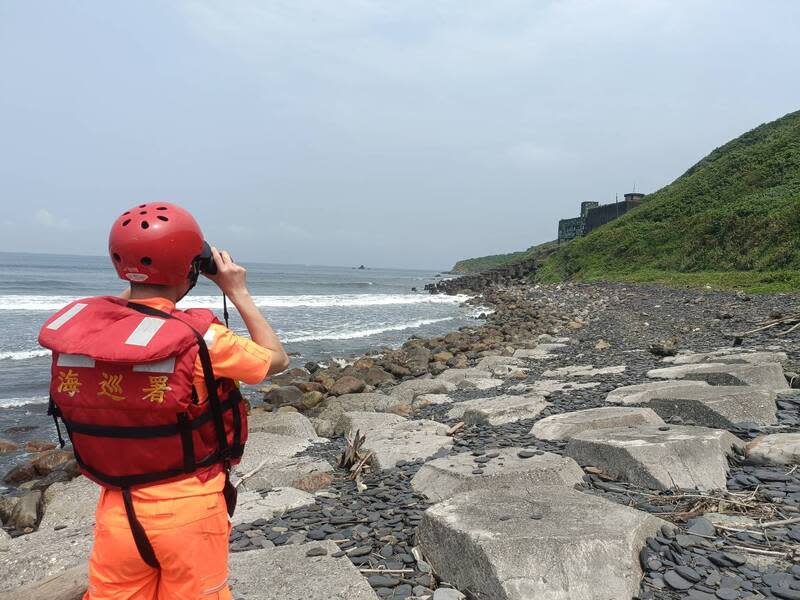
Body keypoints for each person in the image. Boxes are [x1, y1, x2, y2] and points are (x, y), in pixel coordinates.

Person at [38, 202, 289, 600]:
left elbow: (127, 310)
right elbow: (276, 361)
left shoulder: (87, 332)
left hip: (117, 509)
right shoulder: (200, 338)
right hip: (190, 509)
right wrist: (237, 291)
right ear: (190, 268)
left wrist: (143, 276)